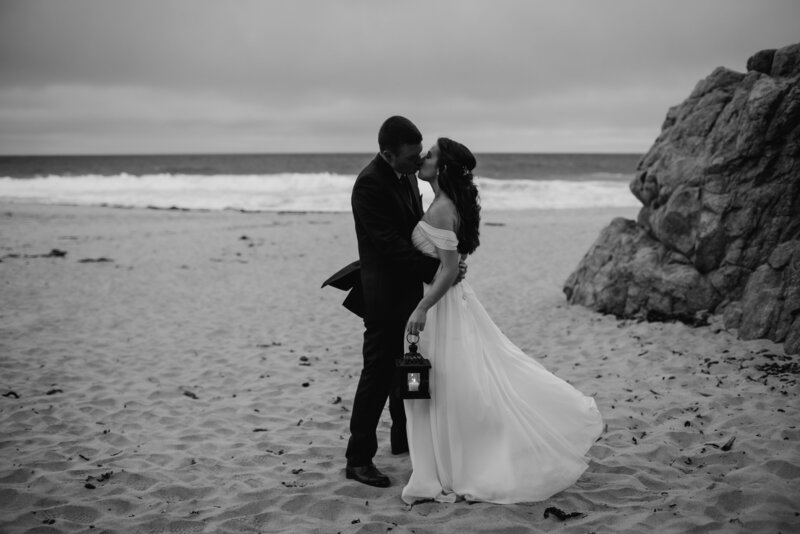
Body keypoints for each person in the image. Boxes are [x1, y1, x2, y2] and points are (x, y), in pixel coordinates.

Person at [402, 137, 603, 504]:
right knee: (458, 381)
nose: (423, 158)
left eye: (430, 155)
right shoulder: (439, 203)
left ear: (443, 168)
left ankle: (460, 460)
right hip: (448, 304)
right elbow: (451, 263)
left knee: (452, 384)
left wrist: (422, 308)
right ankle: (446, 455)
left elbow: (447, 271)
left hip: (440, 308)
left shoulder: (443, 208)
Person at [343, 116, 465, 488]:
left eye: (420, 153)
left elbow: (417, 227)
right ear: (387, 154)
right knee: (377, 376)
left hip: (412, 289)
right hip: (383, 295)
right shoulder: (368, 185)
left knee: (407, 368)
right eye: (411, 156)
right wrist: (440, 266)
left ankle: (402, 438)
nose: (418, 161)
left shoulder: (409, 172)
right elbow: (391, 245)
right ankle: (358, 459)